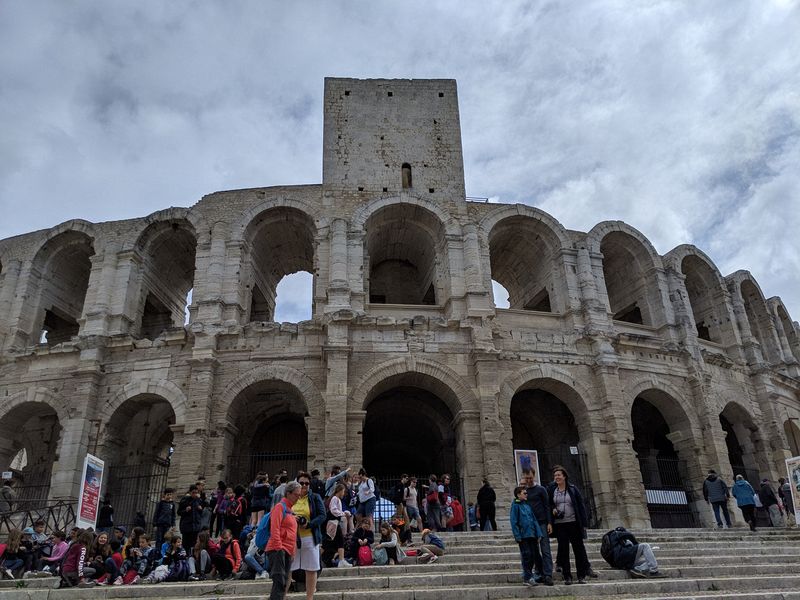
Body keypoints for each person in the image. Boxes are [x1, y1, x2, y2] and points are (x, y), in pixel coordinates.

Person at [548, 465, 590, 585]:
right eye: (555, 475)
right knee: (564, 550)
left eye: (559, 475)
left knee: (578, 550)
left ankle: (581, 575)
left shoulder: (573, 489)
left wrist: (584, 523)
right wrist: (553, 510)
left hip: (574, 523)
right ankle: (567, 576)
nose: (556, 477)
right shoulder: (552, 490)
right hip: (560, 524)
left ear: (564, 476)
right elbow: (549, 504)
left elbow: (581, 505)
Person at [290, 472, 326, 600]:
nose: (304, 485)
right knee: (289, 568)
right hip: (292, 538)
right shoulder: (291, 498)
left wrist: (309, 524)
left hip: (309, 536)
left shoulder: (315, 497)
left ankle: (309, 598)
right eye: (301, 483)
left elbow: (322, 515)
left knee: (311, 568)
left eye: (307, 483)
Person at [266, 480, 301, 600]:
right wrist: (279, 547)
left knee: (284, 582)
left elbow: (293, 535)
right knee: (280, 581)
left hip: (287, 551)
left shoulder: (290, 511)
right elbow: (274, 529)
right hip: (278, 550)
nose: (298, 498)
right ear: (289, 493)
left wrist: (292, 552)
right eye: (296, 495)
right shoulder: (279, 507)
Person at [522, 469, 554, 586]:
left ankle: (548, 574)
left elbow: (547, 506)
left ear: (534, 476)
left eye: (530, 478)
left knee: (545, 549)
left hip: (542, 522)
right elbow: (519, 504)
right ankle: (539, 572)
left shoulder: (541, 489)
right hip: (530, 525)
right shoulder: (523, 491)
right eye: (527, 478)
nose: (529, 480)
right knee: (534, 551)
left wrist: (549, 522)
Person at [510, 486, 543, 587]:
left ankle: (531, 576)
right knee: (526, 556)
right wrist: (517, 536)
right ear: (518, 494)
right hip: (523, 536)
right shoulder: (515, 505)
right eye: (524, 493)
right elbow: (514, 521)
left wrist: (539, 533)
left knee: (534, 556)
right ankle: (528, 578)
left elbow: (534, 520)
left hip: (532, 534)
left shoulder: (527, 505)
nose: (526, 494)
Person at [326, 483, 353, 567]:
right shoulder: (335, 498)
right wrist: (343, 514)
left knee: (330, 542)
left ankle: (341, 560)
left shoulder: (336, 499)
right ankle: (341, 560)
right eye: (343, 491)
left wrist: (344, 512)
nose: (344, 493)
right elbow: (333, 510)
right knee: (340, 540)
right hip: (333, 522)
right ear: (340, 491)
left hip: (334, 522)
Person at [178, 485, 205, 549]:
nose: (195, 494)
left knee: (194, 545)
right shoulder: (184, 500)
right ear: (190, 492)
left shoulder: (199, 500)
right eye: (193, 493)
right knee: (186, 545)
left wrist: (201, 509)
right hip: (187, 527)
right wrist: (186, 510)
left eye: (196, 492)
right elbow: (179, 512)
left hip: (196, 527)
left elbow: (201, 514)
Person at [153, 487, 176, 556]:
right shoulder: (160, 503)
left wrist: (173, 524)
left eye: (170, 495)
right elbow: (156, 514)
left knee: (166, 539)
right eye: (168, 494)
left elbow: (173, 515)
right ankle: (158, 554)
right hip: (160, 525)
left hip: (168, 525)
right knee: (159, 540)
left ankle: (165, 553)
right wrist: (155, 524)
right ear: (164, 495)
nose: (169, 496)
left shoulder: (172, 504)